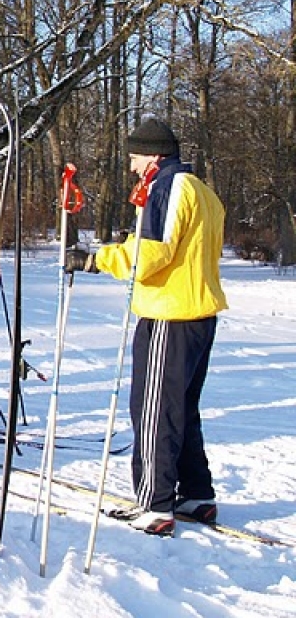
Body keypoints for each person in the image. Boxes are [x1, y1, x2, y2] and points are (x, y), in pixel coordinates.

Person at [65, 117, 227, 536]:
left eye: (136, 157)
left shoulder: (168, 186)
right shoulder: (203, 191)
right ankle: (196, 493)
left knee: (154, 409)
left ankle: (155, 503)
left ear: (154, 155)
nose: (133, 166)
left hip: (169, 314)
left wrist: (98, 259)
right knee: (181, 407)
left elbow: (154, 252)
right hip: (195, 312)